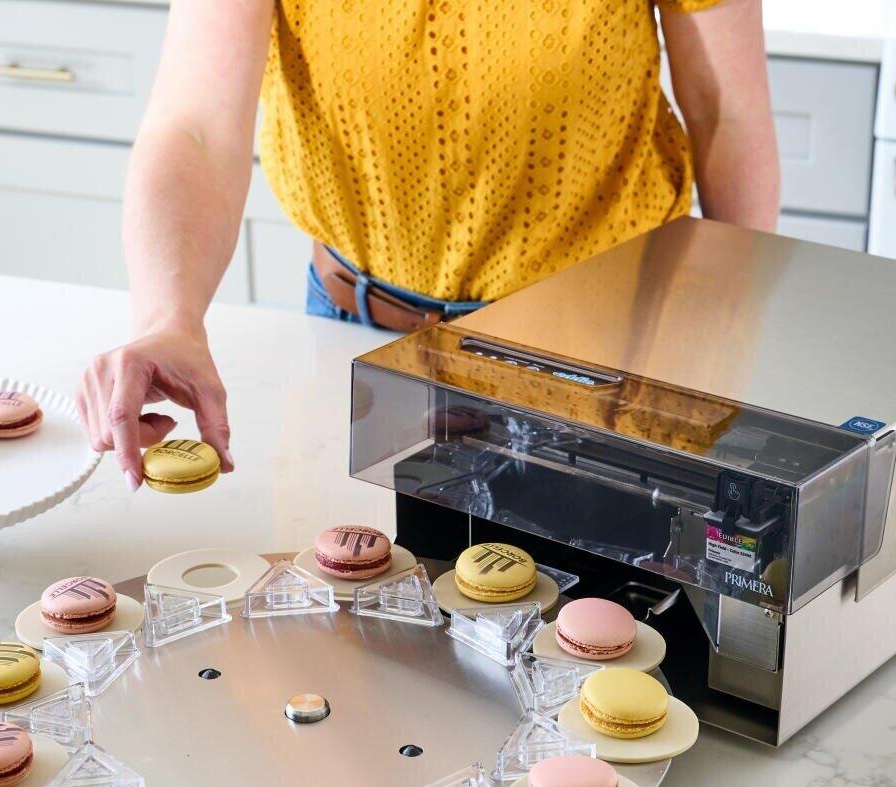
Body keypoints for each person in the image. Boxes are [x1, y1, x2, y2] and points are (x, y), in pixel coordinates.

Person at [76, 0, 779, 489]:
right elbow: (195, 124)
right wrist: (168, 319)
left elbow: (728, 114)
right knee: (356, 640)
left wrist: (726, 338)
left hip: (605, 352)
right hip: (356, 334)